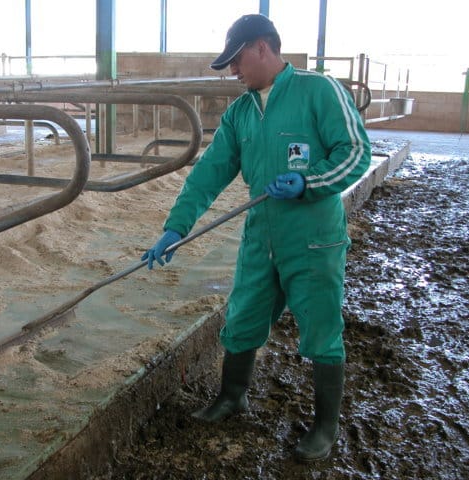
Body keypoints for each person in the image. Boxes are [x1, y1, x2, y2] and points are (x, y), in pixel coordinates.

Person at [142, 13, 371, 462]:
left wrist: (310, 183)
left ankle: (325, 427)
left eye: (236, 60)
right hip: (260, 235)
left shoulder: (317, 90)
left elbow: (356, 152)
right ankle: (232, 395)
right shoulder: (241, 113)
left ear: (261, 48)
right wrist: (176, 226)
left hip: (313, 236)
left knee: (320, 327)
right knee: (244, 314)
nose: (232, 71)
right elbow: (209, 174)